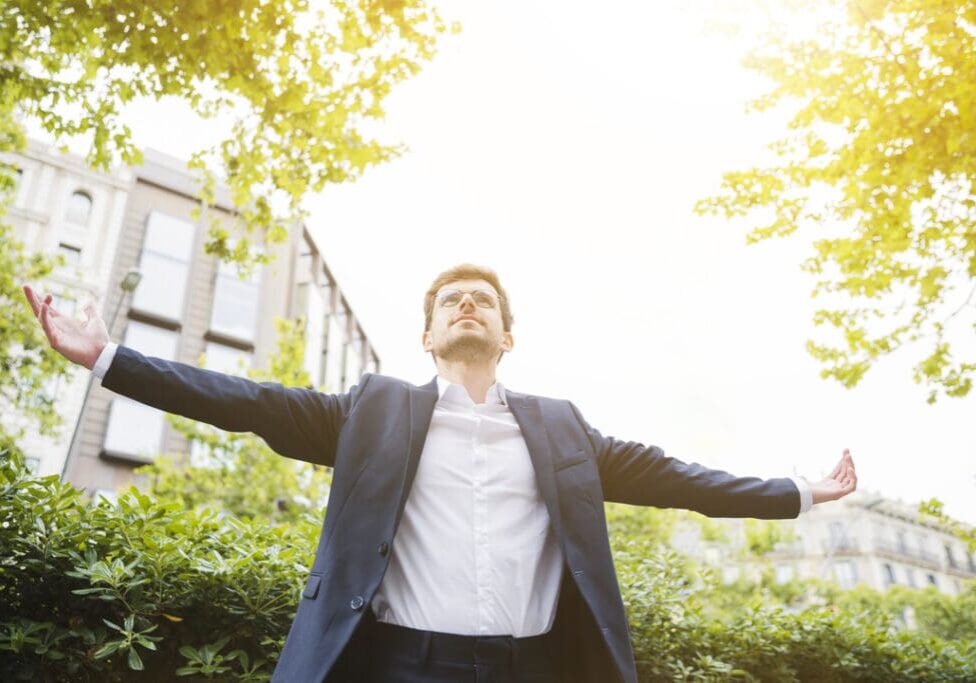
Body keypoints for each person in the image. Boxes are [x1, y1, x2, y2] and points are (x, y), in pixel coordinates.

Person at [22, 264, 857, 683]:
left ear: (507, 335)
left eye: (482, 300)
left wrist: (801, 491)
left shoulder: (561, 426)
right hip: (397, 664)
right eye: (450, 300)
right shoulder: (373, 411)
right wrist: (109, 359)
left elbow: (675, 476)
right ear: (425, 335)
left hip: (533, 664)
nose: (467, 304)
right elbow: (246, 399)